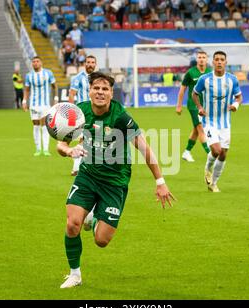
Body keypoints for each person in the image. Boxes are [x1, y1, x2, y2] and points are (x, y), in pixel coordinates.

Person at [57, 72, 175, 288]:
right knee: (72, 224)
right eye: (96, 88)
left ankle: (92, 218)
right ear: (90, 90)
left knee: (101, 240)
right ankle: (75, 274)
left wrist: (160, 182)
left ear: (111, 93)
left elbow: (144, 147)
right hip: (87, 176)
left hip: (115, 182)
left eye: (105, 89)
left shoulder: (120, 117)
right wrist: (68, 151)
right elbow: (60, 144)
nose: (100, 93)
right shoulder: (80, 112)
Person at [192, 51, 243, 193]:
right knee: (216, 150)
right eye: (217, 60)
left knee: (223, 154)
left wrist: (235, 106)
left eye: (222, 60)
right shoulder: (205, 79)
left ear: (226, 62)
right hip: (209, 121)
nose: (219, 62)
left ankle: (213, 183)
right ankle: (207, 168)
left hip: (225, 123)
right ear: (213, 62)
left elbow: (239, 97)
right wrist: (200, 107)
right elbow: (194, 94)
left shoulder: (232, 79)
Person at [176, 51, 212, 162]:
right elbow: (182, 89)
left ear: (207, 59)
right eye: (199, 57)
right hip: (193, 105)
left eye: (203, 57)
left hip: (205, 105)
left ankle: (186, 152)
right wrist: (179, 105)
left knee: (196, 129)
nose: (201, 59)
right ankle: (210, 153)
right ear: (197, 59)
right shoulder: (190, 73)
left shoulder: (210, 72)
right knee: (201, 128)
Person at [22, 56, 59, 156]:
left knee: (44, 126)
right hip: (33, 105)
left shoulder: (48, 73)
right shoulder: (29, 75)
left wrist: (56, 99)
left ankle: (46, 149)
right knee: (36, 125)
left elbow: (54, 86)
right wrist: (24, 101)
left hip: (45, 105)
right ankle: (38, 149)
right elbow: (27, 89)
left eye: (37, 61)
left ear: (41, 63)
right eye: (33, 62)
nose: (35, 63)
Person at [68, 55, 97, 176]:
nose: (90, 64)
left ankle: (85, 167)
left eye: (92, 62)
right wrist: (71, 112)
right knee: (84, 138)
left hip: (96, 112)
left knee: (92, 140)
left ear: (95, 64)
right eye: (88, 62)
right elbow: (72, 94)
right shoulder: (78, 78)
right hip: (83, 113)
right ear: (84, 64)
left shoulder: (98, 78)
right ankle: (76, 168)